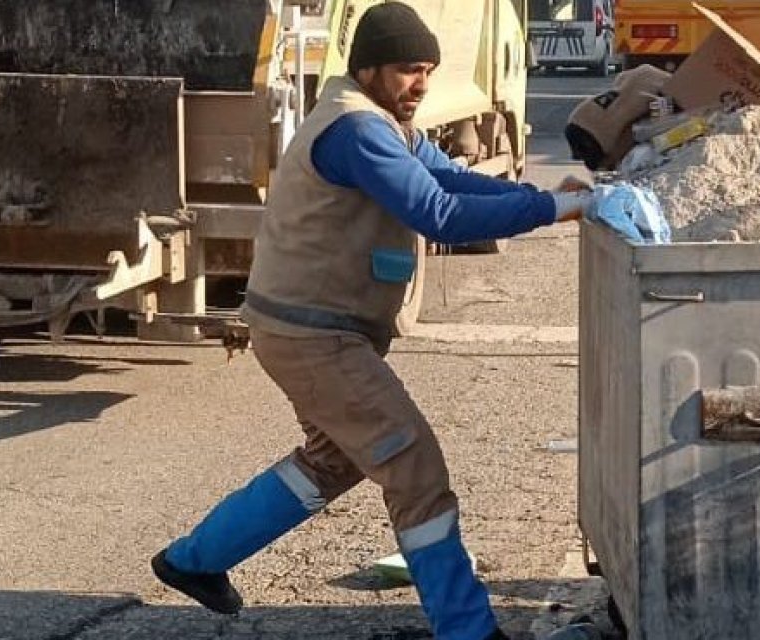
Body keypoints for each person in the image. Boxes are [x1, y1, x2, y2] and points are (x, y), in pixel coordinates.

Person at [150, 4, 592, 640]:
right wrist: (555, 208)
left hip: (307, 329)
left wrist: (550, 200)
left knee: (333, 461)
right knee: (414, 467)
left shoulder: (381, 124)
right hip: (314, 336)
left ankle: (193, 561)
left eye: (428, 71)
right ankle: (468, 630)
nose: (422, 85)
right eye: (410, 70)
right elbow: (439, 212)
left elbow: (450, 178)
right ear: (369, 68)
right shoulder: (355, 131)